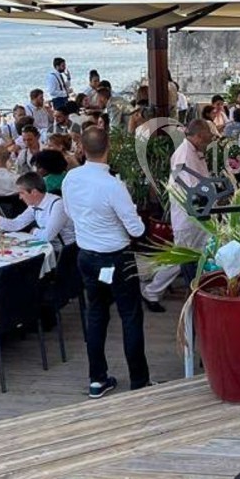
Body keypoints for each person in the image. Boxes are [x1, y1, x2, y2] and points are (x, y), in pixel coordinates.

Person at [62, 127, 150, 398]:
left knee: (96, 315)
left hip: (87, 255)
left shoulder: (71, 178)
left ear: (82, 149)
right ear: (107, 147)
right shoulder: (113, 185)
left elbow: (69, 212)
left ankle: (97, 379)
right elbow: (136, 230)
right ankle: (139, 381)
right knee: (130, 316)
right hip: (116, 257)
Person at [141, 118, 216, 309]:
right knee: (180, 257)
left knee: (198, 253)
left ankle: (199, 290)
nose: (211, 137)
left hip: (199, 214)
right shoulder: (184, 155)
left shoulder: (194, 151)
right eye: (208, 134)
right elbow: (191, 189)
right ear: (199, 136)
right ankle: (152, 292)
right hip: (189, 216)